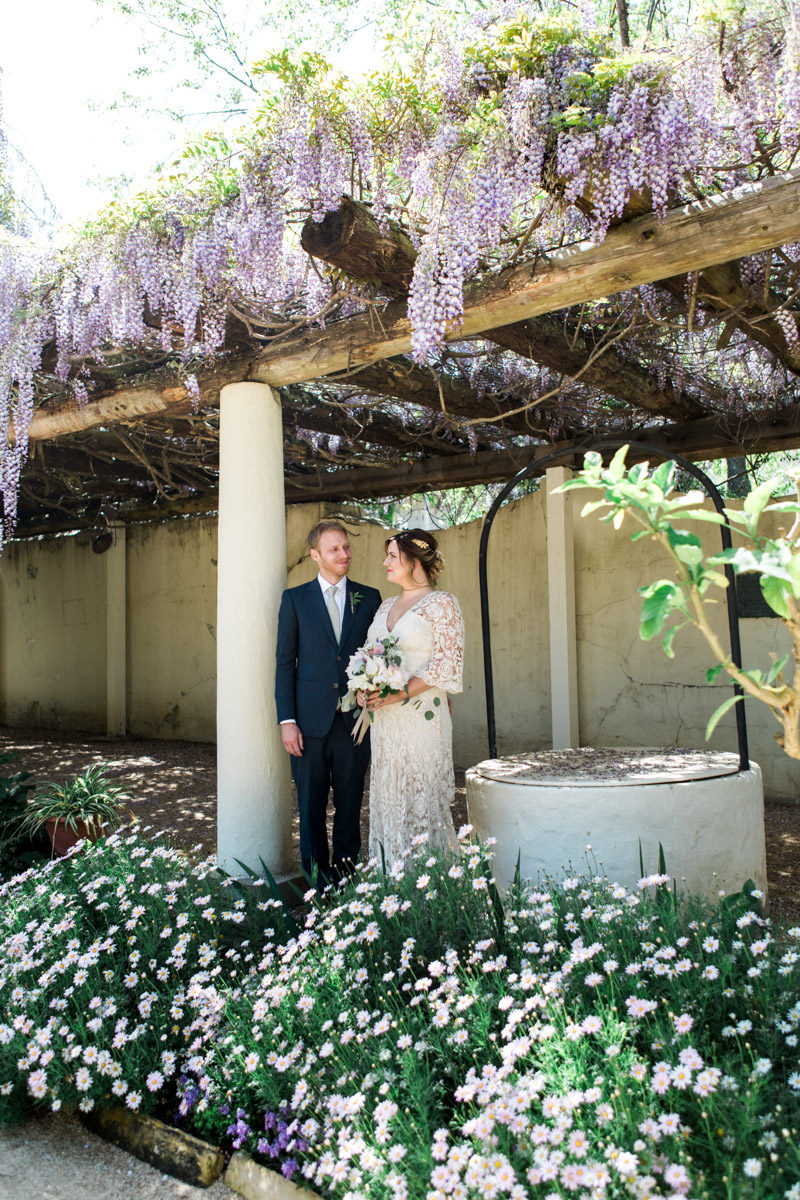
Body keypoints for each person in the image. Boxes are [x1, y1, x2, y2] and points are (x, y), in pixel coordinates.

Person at [275, 520, 381, 881]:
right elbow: (284, 663)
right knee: (311, 809)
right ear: (315, 555)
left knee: (350, 808)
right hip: (308, 725)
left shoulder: (369, 598)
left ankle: (349, 888)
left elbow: (377, 655)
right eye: (334, 549)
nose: (343, 555)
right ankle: (317, 891)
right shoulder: (295, 599)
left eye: (346, 547)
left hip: (355, 722)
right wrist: (287, 720)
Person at [361, 528, 464, 866]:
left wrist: (398, 694)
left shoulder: (442, 603)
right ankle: (390, 875)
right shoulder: (387, 604)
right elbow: (371, 654)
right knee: (389, 794)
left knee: (421, 796)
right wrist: (365, 688)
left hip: (421, 717)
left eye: (392, 556)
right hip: (385, 721)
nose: (385, 562)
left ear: (414, 560)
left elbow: (446, 664)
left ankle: (429, 878)